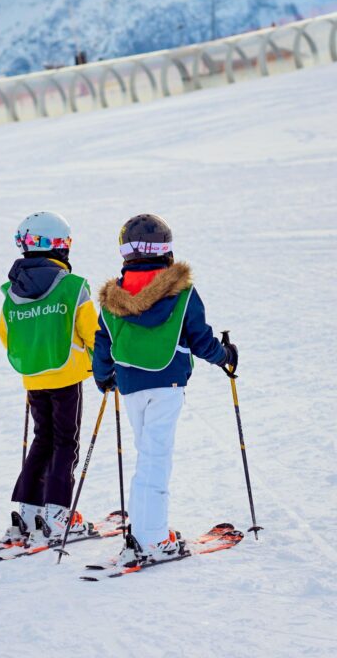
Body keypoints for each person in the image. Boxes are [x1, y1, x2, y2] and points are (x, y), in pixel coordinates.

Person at [92, 214, 238, 566]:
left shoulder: (114, 296)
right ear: (166, 249)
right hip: (168, 381)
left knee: (148, 456)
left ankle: (144, 532)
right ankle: (153, 538)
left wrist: (104, 376)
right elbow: (201, 339)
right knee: (156, 459)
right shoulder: (182, 292)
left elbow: (102, 340)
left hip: (129, 384)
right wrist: (225, 357)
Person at [0, 211, 99, 544]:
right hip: (67, 375)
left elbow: (6, 334)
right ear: (60, 246)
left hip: (33, 378)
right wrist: (103, 363)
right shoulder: (73, 287)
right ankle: (57, 514)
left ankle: (28, 512)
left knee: (43, 440)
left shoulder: (13, 292)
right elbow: (92, 332)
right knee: (65, 443)